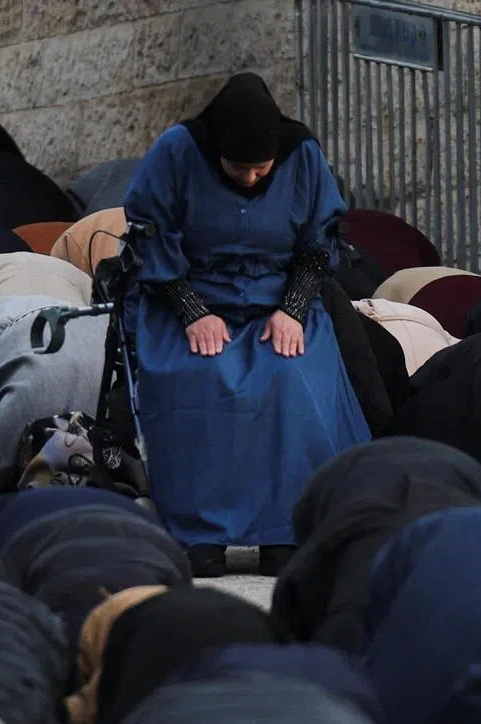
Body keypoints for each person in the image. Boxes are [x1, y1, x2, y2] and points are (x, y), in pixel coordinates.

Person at [124, 73, 370, 578]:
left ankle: (285, 530)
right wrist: (192, 311)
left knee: (290, 381)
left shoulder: (302, 154)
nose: (253, 179)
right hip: (189, 297)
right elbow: (149, 236)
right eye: (240, 169)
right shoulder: (177, 151)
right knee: (200, 378)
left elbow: (320, 241)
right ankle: (200, 533)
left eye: (263, 170)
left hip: (276, 300)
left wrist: (294, 308)